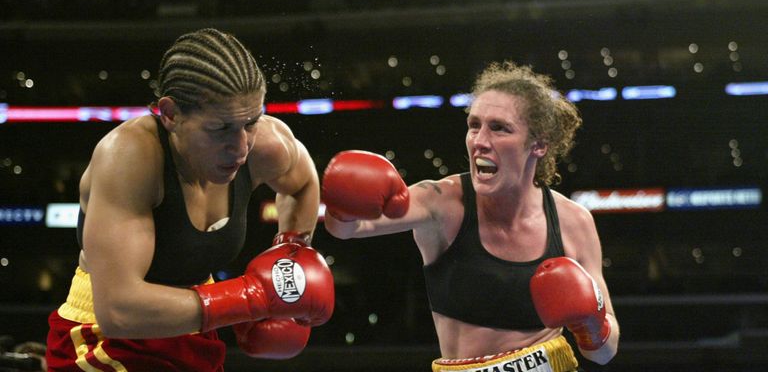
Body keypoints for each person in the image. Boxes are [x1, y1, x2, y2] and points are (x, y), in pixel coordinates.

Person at [45, 28, 335, 371]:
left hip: (195, 326)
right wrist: (253, 297)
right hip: (103, 337)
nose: (241, 146)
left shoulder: (266, 145)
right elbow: (119, 311)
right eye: (220, 128)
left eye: (251, 122)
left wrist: (291, 252)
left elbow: (302, 184)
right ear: (170, 114)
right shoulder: (130, 157)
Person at [322, 61, 619, 371]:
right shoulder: (442, 203)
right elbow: (345, 229)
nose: (479, 141)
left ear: (539, 145)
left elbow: (605, 352)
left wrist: (593, 325)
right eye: (474, 125)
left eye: (499, 128)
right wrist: (344, 203)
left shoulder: (573, 221)